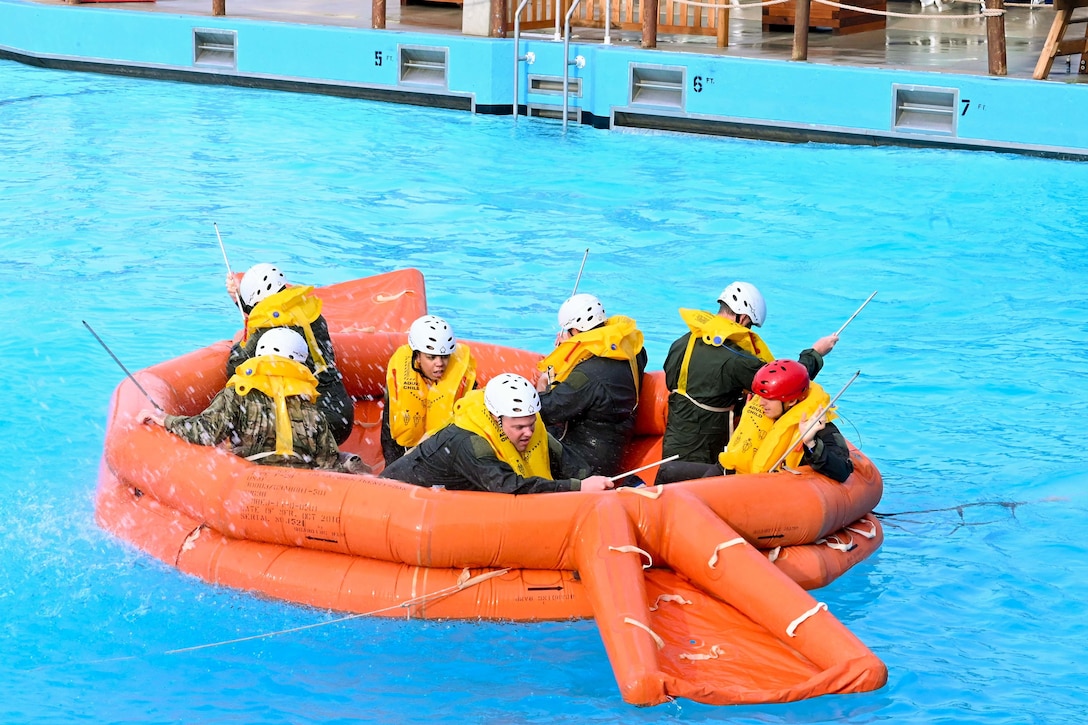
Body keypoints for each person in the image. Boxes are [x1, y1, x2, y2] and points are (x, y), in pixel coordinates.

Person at [656, 281, 838, 484]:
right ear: (742, 318)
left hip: (674, 440)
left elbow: (671, 379)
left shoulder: (681, 343)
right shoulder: (737, 360)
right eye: (750, 325)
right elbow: (781, 382)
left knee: (670, 482)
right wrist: (816, 353)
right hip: (706, 447)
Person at [139, 328, 363, 472]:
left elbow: (205, 432)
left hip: (249, 480)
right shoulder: (309, 406)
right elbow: (327, 462)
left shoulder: (240, 393)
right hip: (299, 484)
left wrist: (165, 419)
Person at [381, 373, 615, 494]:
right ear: (496, 417)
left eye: (531, 424)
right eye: (519, 428)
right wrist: (577, 488)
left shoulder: (528, 425)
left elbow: (570, 463)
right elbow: (509, 486)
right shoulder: (470, 443)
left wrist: (598, 483)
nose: (528, 433)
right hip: (397, 494)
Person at [226, 263, 353, 445]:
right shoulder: (308, 313)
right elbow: (273, 314)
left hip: (314, 421)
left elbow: (236, 367)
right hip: (340, 411)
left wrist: (239, 345)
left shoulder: (267, 326)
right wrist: (241, 302)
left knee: (247, 430)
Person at [534, 293, 648, 477]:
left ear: (577, 332)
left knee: (519, 428)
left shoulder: (587, 376)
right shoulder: (633, 351)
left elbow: (545, 411)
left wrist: (544, 382)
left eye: (568, 331)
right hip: (612, 448)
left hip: (584, 464)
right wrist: (572, 352)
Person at [718, 359, 854, 483]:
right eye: (760, 396)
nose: (760, 403)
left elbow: (842, 471)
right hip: (738, 479)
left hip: (774, 491)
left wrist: (810, 443)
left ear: (792, 401)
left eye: (769, 399)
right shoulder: (763, 412)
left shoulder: (820, 428)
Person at [381, 314, 477, 465]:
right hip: (407, 445)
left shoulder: (463, 381)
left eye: (445, 357)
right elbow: (389, 436)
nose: (440, 364)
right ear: (417, 357)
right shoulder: (400, 377)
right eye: (431, 357)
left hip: (445, 451)